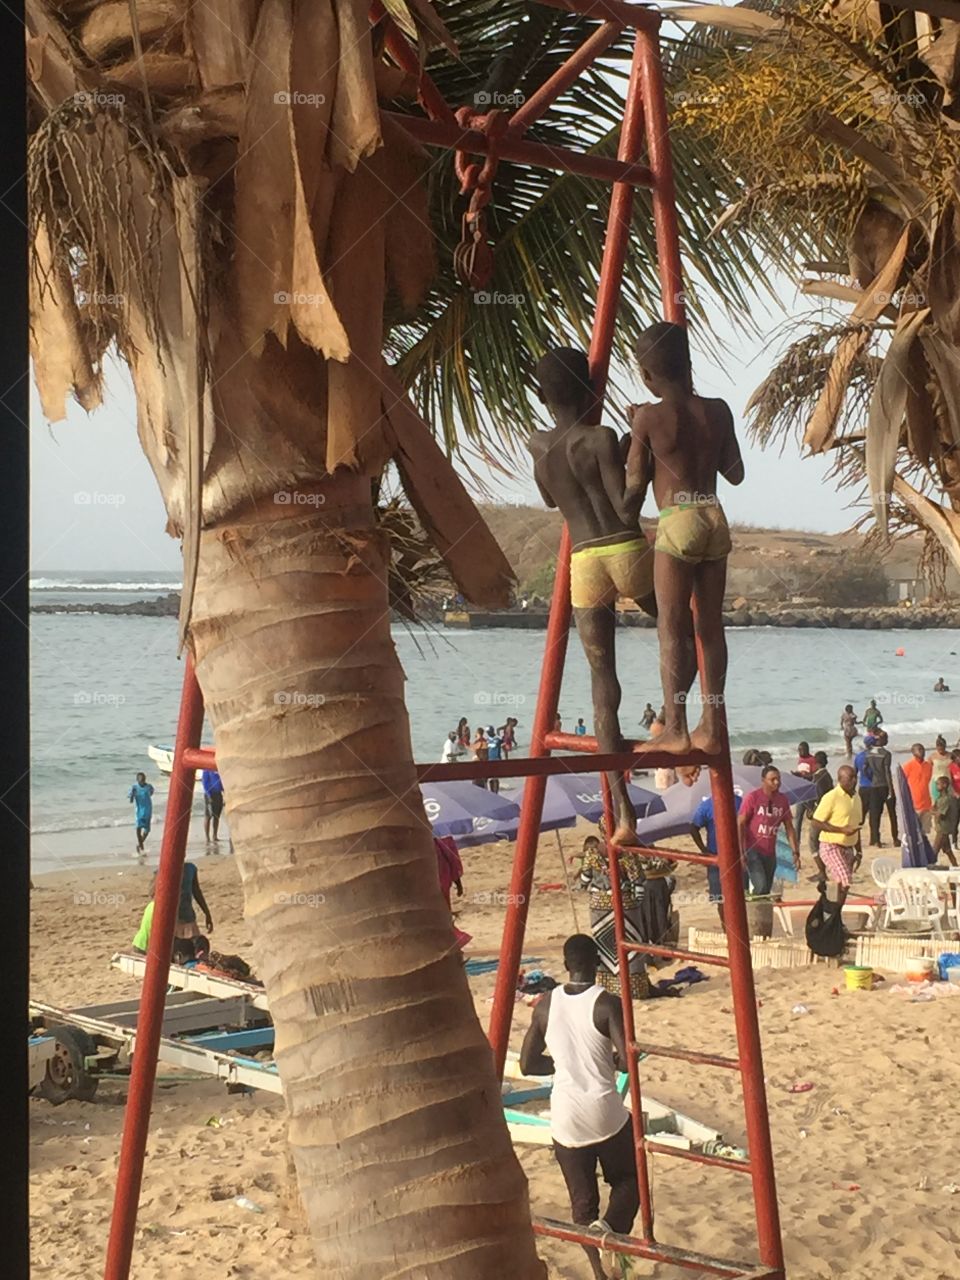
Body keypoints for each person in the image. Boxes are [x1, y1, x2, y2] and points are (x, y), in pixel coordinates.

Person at [529, 347, 656, 845]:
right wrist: (634, 458)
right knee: (678, 628)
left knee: (603, 681)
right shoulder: (598, 437)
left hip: (584, 562)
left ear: (542, 397)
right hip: (623, 549)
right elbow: (625, 508)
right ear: (589, 392)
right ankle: (683, 721)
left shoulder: (539, 447)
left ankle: (623, 815)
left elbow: (548, 497)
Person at [625, 321, 744, 762]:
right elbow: (736, 472)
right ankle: (711, 725)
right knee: (710, 628)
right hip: (713, 515)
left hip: (676, 520)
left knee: (672, 627)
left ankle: (674, 726)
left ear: (646, 376)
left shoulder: (648, 417)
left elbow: (634, 487)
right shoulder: (719, 410)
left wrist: (637, 434)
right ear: (690, 365)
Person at [520, 934, 639, 1280]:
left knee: (582, 1204)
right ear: (598, 963)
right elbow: (627, 1061)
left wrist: (563, 1065)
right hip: (604, 1111)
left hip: (566, 1118)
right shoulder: (606, 1003)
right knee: (629, 1180)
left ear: (566, 964)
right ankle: (612, 1231)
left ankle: (600, 1273)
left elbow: (528, 1064)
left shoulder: (544, 1004)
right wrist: (611, 1060)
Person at [579, 833, 675, 998]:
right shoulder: (628, 853)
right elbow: (638, 881)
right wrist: (636, 901)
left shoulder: (592, 854)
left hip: (599, 906)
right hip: (626, 904)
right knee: (631, 944)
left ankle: (608, 987)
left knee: (605, 946)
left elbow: (584, 880)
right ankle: (634, 987)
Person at [738, 765, 800, 905]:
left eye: (778, 779)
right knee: (760, 886)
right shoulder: (753, 797)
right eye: (772, 780)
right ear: (763, 780)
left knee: (766, 890)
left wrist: (795, 852)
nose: (776, 783)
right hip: (752, 848)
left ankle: (759, 919)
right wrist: (741, 851)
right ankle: (751, 911)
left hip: (770, 851)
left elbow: (789, 827)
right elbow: (740, 823)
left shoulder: (782, 800)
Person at [690, 790, 746, 927]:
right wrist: (704, 851)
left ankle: (740, 928)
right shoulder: (707, 805)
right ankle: (726, 930)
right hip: (715, 857)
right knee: (720, 898)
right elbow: (693, 827)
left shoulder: (740, 802)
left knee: (741, 896)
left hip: (737, 856)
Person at [811, 764, 863, 907]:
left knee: (843, 886)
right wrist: (841, 830)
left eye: (854, 777)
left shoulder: (857, 797)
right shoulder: (831, 797)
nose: (853, 781)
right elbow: (816, 822)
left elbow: (857, 826)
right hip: (831, 846)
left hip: (848, 847)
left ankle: (833, 912)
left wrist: (859, 851)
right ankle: (832, 912)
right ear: (840, 779)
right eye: (849, 778)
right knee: (844, 879)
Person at [857, 732, 895, 848]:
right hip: (884, 784)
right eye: (886, 738)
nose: (887, 740)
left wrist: (871, 778)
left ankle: (876, 840)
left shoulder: (868, 754)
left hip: (873, 786)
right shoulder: (886, 754)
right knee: (892, 814)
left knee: (875, 815)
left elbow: (864, 768)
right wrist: (891, 789)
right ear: (881, 740)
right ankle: (895, 838)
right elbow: (887, 772)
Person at [176, 861, 214, 943]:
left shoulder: (190, 868)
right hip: (173, 920)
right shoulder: (165, 870)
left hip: (188, 917)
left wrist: (207, 914)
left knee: (194, 947)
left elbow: (197, 892)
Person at [902, 742, 934, 834]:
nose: (921, 751)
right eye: (919, 749)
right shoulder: (908, 766)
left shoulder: (928, 766)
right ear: (913, 752)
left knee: (925, 831)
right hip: (913, 803)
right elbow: (903, 784)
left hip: (926, 803)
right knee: (914, 831)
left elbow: (927, 782)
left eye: (922, 749)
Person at [931, 776, 959, 867]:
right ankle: (956, 867)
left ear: (945, 785)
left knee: (934, 851)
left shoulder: (946, 799)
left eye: (938, 784)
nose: (937, 786)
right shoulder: (940, 798)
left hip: (943, 829)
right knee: (948, 851)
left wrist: (929, 812)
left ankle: (929, 868)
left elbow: (940, 814)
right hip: (941, 827)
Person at [128, 772, 155, 854]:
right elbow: (131, 801)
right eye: (140, 780)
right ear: (137, 780)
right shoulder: (135, 788)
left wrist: (149, 791)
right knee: (138, 828)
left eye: (143, 779)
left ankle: (140, 844)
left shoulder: (148, 787)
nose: (142, 781)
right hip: (139, 811)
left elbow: (151, 793)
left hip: (148, 810)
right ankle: (141, 848)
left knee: (147, 830)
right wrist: (133, 794)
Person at [201, 768, 225, 844]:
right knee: (208, 816)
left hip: (219, 794)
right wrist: (208, 794)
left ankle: (215, 836)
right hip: (210, 794)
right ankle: (207, 837)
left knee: (216, 816)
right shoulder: (207, 769)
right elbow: (205, 782)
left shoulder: (219, 769)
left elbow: (222, 782)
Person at [929, 735, 952, 801]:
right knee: (937, 801)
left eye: (942, 748)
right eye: (938, 748)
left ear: (945, 746)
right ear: (936, 747)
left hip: (948, 781)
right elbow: (928, 769)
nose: (940, 750)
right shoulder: (932, 756)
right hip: (937, 782)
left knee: (949, 802)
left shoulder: (950, 755)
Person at [485, 725, 503, 794]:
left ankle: (496, 792)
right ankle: (492, 792)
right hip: (489, 760)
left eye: (489, 732)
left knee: (495, 778)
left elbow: (503, 743)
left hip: (496, 759)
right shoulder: (487, 740)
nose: (488, 733)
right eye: (487, 732)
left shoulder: (497, 739)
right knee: (490, 778)